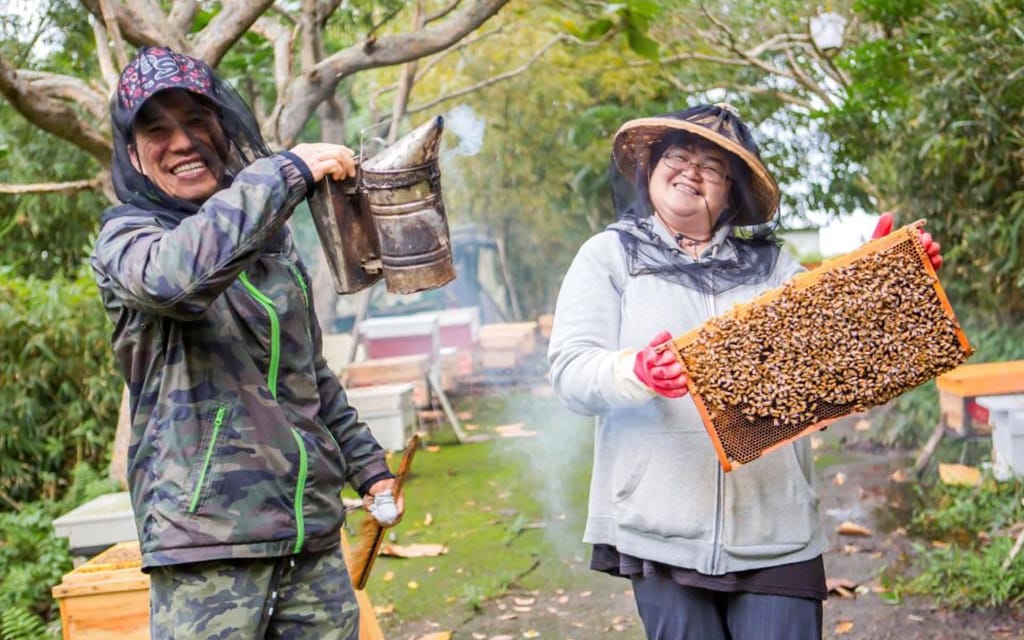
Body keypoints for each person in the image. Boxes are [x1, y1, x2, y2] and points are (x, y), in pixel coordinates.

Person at [547, 103, 942, 640]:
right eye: (679, 156)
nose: (691, 172)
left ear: (729, 192)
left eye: (712, 168)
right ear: (651, 167)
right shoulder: (610, 257)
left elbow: (829, 364)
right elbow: (571, 370)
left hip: (776, 524)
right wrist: (636, 371)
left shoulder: (774, 268)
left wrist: (881, 282)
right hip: (662, 525)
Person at [90, 46, 403, 639]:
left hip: (311, 543)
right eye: (157, 130)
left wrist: (368, 467)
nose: (182, 142)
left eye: (196, 121)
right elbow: (174, 281)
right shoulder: (127, 241)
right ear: (134, 155)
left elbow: (311, 374)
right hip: (207, 551)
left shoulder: (271, 245)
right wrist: (284, 172)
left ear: (223, 128)